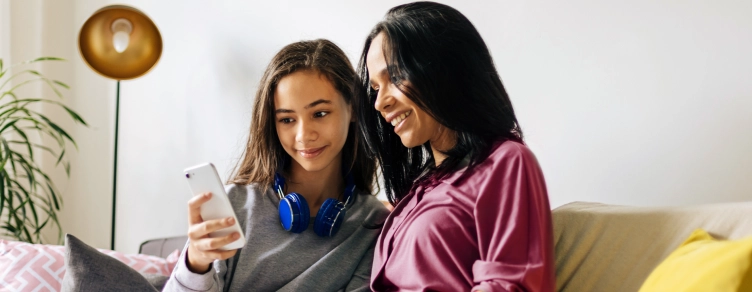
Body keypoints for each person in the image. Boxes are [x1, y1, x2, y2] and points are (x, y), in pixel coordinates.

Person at [355, 2, 555, 291]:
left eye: (396, 76)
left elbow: (510, 283)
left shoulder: (506, 162)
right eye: (375, 87)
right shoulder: (419, 190)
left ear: (444, 70)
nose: (379, 102)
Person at [164, 39, 389, 292]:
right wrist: (196, 263)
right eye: (287, 119)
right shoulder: (237, 203)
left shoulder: (375, 225)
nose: (303, 134)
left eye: (320, 113)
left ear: (354, 108)